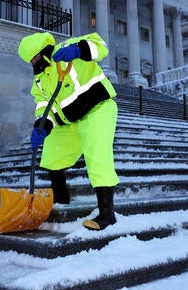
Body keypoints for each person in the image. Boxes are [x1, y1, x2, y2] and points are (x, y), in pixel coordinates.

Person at [18, 31, 120, 231]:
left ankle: (107, 214)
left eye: (34, 57)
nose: (33, 63)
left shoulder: (68, 48)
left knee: (97, 152)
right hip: (69, 122)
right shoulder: (39, 80)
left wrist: (80, 50)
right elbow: (43, 105)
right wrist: (42, 125)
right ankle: (61, 200)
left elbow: (101, 47)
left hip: (97, 109)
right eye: (30, 61)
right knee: (52, 154)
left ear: (42, 51)